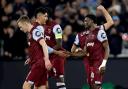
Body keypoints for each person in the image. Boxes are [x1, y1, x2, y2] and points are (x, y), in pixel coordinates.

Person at [71, 5, 114, 89]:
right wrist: (78, 50)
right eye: (84, 21)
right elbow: (72, 50)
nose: (84, 23)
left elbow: (111, 22)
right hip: (87, 62)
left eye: (87, 21)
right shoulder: (80, 35)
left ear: (93, 21)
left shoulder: (99, 30)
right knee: (91, 85)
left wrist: (103, 9)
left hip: (98, 61)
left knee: (96, 86)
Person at [34, 7, 67, 89]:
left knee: (59, 79)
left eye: (45, 16)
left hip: (57, 55)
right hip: (46, 56)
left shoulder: (56, 26)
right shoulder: (37, 27)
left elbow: (59, 44)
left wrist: (46, 51)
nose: (44, 18)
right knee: (41, 80)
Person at [17, 15, 52, 89]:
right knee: (40, 87)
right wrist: (31, 58)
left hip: (38, 64)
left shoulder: (35, 32)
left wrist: (46, 59)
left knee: (25, 87)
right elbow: (37, 48)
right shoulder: (30, 34)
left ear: (25, 23)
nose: (20, 29)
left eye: (20, 26)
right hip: (38, 63)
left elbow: (44, 44)